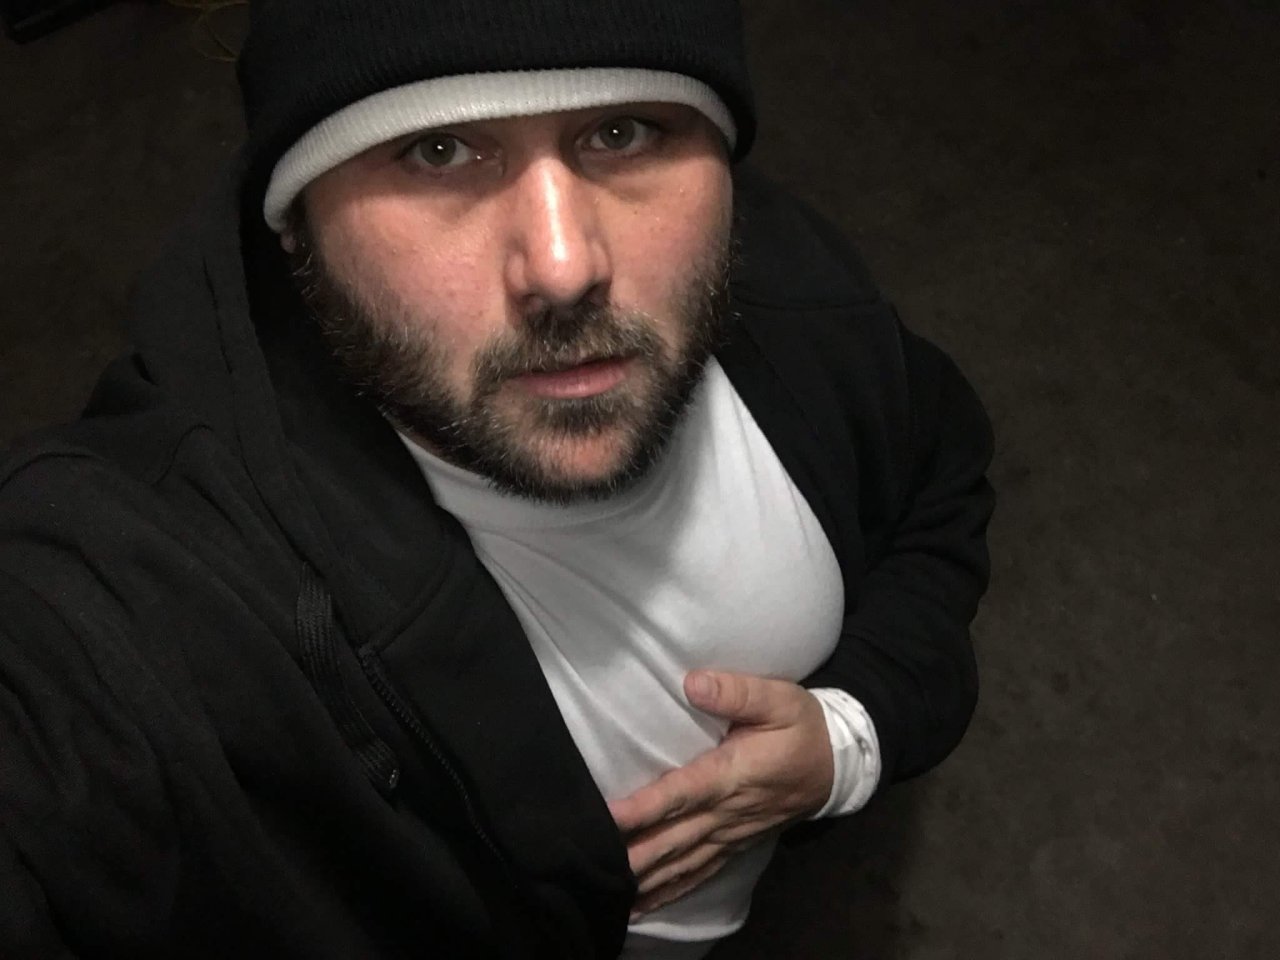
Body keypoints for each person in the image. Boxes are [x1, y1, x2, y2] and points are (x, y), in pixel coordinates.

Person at [0, 1, 995, 957]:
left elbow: (939, 492)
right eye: (437, 149)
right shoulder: (149, 584)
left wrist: (851, 734)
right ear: (294, 224)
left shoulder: (794, 302)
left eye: (621, 130)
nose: (563, 267)